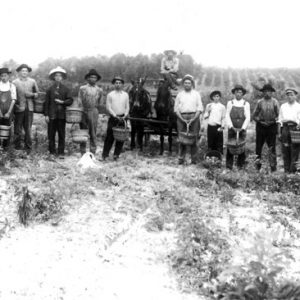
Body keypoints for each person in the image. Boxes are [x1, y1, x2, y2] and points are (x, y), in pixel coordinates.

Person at [44, 66, 73, 158]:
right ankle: (52, 152)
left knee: (61, 134)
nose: (58, 77)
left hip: (61, 116)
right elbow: (46, 103)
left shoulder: (66, 89)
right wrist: (46, 115)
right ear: (53, 77)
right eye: (56, 75)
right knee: (51, 134)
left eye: (60, 76)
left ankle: (61, 152)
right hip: (52, 115)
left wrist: (63, 102)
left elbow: (70, 100)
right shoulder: (49, 89)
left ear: (62, 77)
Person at [174, 74, 203, 164]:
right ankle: (180, 158)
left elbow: (200, 108)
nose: (187, 84)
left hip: (193, 117)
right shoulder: (180, 94)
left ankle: (194, 159)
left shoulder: (196, 94)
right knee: (181, 138)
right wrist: (181, 119)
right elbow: (176, 109)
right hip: (181, 117)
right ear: (183, 84)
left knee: (194, 137)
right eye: (185, 83)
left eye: (189, 83)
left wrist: (194, 118)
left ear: (192, 84)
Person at [252, 84, 280, 172]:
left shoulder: (275, 102)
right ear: (263, 93)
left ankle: (273, 168)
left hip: (272, 126)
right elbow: (254, 115)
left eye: (269, 91)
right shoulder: (260, 102)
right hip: (261, 126)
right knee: (258, 147)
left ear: (272, 93)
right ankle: (257, 167)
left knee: (272, 147)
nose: (267, 93)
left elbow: (279, 116)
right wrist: (260, 121)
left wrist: (273, 121)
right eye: (265, 91)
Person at [102, 76, 129, 161]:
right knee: (110, 137)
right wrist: (115, 115)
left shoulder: (125, 95)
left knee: (121, 138)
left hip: (123, 118)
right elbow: (108, 107)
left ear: (122, 84)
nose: (118, 84)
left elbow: (127, 106)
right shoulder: (110, 95)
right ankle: (105, 155)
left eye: (120, 83)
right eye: (116, 83)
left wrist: (125, 115)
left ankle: (116, 155)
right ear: (114, 84)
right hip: (113, 118)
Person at [13, 64, 39, 152]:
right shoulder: (15, 82)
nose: (24, 72)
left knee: (28, 128)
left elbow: (37, 94)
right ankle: (17, 147)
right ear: (19, 72)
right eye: (23, 71)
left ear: (28, 72)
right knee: (17, 128)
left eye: (26, 71)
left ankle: (28, 148)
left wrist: (31, 94)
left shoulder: (32, 81)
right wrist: (15, 106)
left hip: (29, 108)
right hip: (19, 108)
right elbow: (12, 96)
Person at [78, 69, 103, 155]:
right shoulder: (82, 88)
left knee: (93, 131)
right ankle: (82, 151)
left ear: (97, 79)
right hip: (84, 111)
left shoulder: (99, 90)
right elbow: (79, 100)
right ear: (88, 78)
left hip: (94, 111)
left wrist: (95, 109)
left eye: (95, 77)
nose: (93, 79)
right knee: (83, 131)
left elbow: (100, 102)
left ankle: (92, 151)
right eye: (91, 77)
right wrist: (81, 110)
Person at [226, 85, 250, 170]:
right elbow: (227, 115)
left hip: (241, 129)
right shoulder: (230, 103)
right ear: (234, 93)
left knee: (241, 147)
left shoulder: (246, 104)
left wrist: (242, 128)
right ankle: (229, 167)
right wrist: (231, 126)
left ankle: (241, 166)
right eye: (237, 92)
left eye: (240, 92)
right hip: (232, 128)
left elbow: (248, 117)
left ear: (243, 94)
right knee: (230, 147)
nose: (238, 94)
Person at [278, 88, 300, 173]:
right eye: (288, 95)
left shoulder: (299, 106)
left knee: (294, 150)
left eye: (292, 95)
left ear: (295, 96)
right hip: (285, 129)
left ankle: (293, 172)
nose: (290, 97)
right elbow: (280, 120)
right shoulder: (283, 106)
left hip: (295, 128)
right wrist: (279, 132)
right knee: (285, 150)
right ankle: (286, 171)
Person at [0, 68, 17, 149]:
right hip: (0, 110)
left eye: (5, 76)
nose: (4, 77)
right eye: (2, 76)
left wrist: (9, 112)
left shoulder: (12, 86)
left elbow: (13, 100)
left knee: (7, 127)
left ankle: (5, 146)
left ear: (8, 76)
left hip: (8, 110)